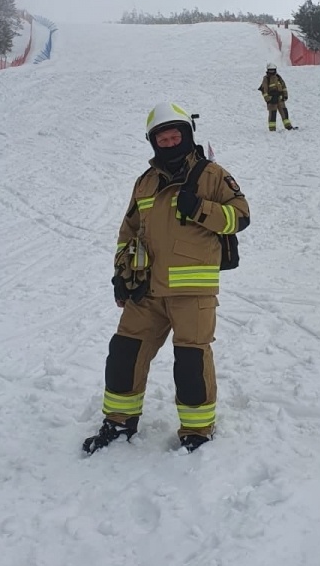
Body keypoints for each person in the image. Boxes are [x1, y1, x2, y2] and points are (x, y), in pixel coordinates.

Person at [83, 102, 250, 455]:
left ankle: (196, 431)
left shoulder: (213, 175)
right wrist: (120, 276)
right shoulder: (145, 182)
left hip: (192, 291)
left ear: (188, 136)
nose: (170, 143)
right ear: (153, 142)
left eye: (176, 136)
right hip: (146, 290)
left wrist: (201, 209)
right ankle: (118, 421)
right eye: (163, 138)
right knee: (124, 353)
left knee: (190, 362)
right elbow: (128, 232)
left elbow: (240, 217)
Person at [258, 62, 296, 131]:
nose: (272, 72)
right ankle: (272, 129)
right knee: (272, 114)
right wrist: (268, 99)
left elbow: (283, 86)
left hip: (280, 98)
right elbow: (264, 90)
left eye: (273, 70)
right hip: (272, 99)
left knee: (284, 112)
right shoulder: (266, 79)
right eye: (270, 70)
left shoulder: (278, 77)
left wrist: (285, 95)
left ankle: (288, 126)